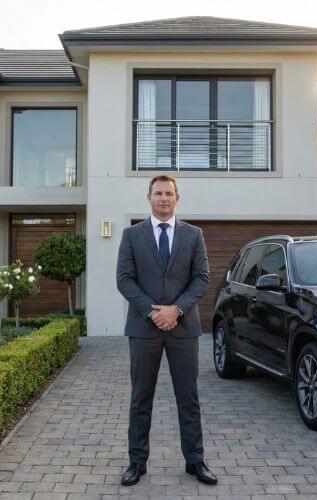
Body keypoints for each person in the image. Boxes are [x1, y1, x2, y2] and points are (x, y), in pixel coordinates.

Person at [115, 174, 216, 486]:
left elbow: (201, 277)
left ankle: (195, 461)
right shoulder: (132, 235)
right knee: (140, 398)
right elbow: (124, 279)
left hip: (183, 328)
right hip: (144, 329)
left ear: (177, 197)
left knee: (189, 398)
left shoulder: (194, 234)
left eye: (168, 193)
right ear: (149, 197)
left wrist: (177, 309)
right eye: (157, 193)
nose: (163, 198)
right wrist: (152, 311)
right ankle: (136, 463)